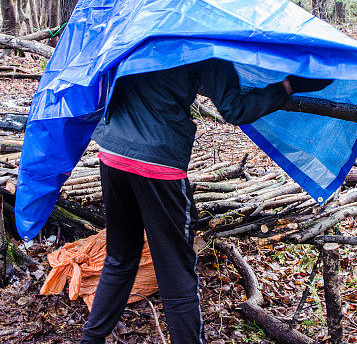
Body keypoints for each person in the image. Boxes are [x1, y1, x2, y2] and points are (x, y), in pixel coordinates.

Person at [80, 58, 331, 343]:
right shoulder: (207, 43)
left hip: (112, 151)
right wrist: (287, 86)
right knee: (176, 273)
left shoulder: (146, 26)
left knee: (120, 258)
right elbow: (235, 109)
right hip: (158, 163)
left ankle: (90, 340)